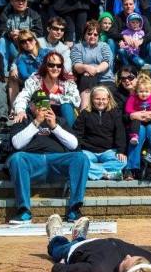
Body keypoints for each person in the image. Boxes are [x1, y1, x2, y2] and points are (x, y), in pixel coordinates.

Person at [8, 90, 90, 224]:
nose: (42, 107)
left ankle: (74, 210)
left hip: (57, 162)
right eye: (38, 103)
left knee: (81, 158)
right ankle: (24, 211)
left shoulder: (60, 121)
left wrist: (54, 127)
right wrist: (36, 122)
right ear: (31, 105)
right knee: (17, 158)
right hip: (33, 162)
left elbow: (74, 144)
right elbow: (17, 144)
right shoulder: (23, 119)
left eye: (45, 103)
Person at [45, 214, 151, 272]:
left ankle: (56, 237)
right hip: (98, 243)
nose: (127, 255)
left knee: (58, 247)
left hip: (73, 250)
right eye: (132, 257)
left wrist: (60, 265)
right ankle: (79, 236)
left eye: (126, 261)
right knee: (80, 240)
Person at [73, 86, 127, 181]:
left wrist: (121, 151)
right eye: (97, 99)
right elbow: (77, 133)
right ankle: (107, 174)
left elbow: (120, 133)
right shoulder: (85, 113)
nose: (101, 102)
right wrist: (78, 149)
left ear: (108, 99)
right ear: (92, 99)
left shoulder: (115, 113)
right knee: (79, 160)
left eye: (104, 99)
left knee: (122, 161)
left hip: (108, 151)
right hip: (88, 151)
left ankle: (93, 170)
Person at [13, 51, 80, 127]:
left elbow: (76, 100)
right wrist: (20, 111)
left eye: (59, 65)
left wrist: (50, 96)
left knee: (66, 106)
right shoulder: (36, 79)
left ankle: (71, 134)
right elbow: (23, 96)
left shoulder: (67, 80)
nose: (55, 68)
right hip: (40, 113)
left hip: (61, 115)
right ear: (45, 66)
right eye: (51, 65)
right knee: (35, 104)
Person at [111, 0, 151, 83]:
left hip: (140, 50)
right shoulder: (118, 18)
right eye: (126, 4)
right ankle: (109, 71)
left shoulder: (142, 18)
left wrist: (141, 40)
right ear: (122, 6)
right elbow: (111, 33)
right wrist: (123, 37)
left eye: (130, 4)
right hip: (124, 50)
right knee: (110, 41)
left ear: (134, 5)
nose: (128, 6)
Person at [0, 0, 43, 75]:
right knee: (1, 41)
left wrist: (22, 35)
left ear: (26, 2)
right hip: (12, 48)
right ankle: (1, 73)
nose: (21, 3)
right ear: (12, 2)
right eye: (18, 0)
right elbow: (1, 31)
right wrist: (10, 34)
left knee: (40, 41)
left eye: (23, 0)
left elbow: (39, 33)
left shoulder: (34, 15)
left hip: (28, 49)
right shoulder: (6, 13)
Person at [71, 20, 115, 109]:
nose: (92, 37)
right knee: (87, 79)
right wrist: (85, 67)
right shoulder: (77, 47)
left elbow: (107, 62)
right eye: (89, 33)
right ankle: (84, 113)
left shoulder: (104, 46)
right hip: (87, 79)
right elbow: (76, 66)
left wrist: (95, 70)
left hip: (105, 78)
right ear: (84, 34)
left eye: (95, 34)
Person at [8, 30, 48, 104]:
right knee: (12, 77)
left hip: (49, 84)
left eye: (30, 39)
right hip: (34, 87)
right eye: (23, 41)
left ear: (35, 40)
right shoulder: (21, 58)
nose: (27, 42)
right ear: (21, 45)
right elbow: (24, 75)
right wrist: (13, 67)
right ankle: (14, 109)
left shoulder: (47, 53)